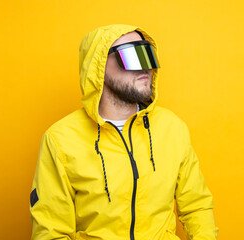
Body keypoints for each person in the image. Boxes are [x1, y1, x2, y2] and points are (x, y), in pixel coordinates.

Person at [30, 24, 218, 240]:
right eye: (131, 56)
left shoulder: (172, 128)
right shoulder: (60, 140)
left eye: (147, 55)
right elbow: (51, 231)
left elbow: (197, 206)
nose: (144, 68)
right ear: (98, 66)